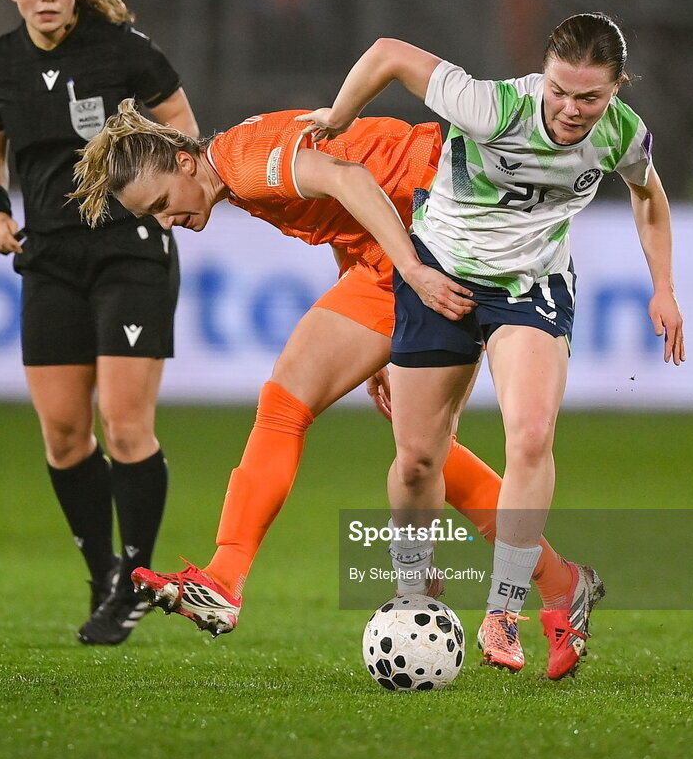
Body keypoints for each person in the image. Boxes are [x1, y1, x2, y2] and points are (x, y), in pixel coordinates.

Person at [71, 99, 601, 680]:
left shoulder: (244, 163)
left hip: (451, 232)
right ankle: (223, 581)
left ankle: (558, 584)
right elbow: (342, 199)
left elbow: (350, 179)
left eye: (162, 203)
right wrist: (371, 329)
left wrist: (416, 274)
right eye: (153, 217)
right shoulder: (235, 170)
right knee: (295, 408)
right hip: (389, 257)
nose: (167, 221)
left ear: (183, 161)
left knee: (422, 449)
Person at [297, 12, 685, 673]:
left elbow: (647, 194)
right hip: (439, 278)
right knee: (420, 459)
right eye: (559, 90)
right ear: (543, 75)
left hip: (529, 289)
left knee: (530, 435)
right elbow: (388, 50)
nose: (569, 108)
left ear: (616, 89)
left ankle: (504, 613)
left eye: (588, 98)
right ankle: (412, 588)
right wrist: (338, 112)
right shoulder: (489, 105)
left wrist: (664, 285)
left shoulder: (621, 133)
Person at [0, 0, 200, 646]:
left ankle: (136, 578)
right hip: (50, 259)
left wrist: (164, 194)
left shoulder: (124, 49)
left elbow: (185, 126)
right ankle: (103, 575)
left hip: (129, 254)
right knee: (65, 436)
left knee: (124, 426)